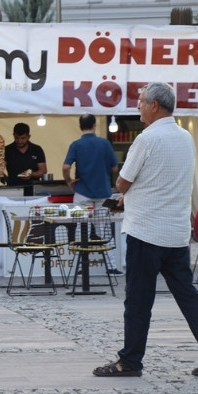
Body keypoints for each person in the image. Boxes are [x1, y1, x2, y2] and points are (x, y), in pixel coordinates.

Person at [93, 82, 198, 378]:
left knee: (139, 300)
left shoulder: (146, 139)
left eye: (141, 102)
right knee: (188, 295)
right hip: (176, 232)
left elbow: (123, 183)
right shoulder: (185, 138)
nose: (138, 107)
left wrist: (126, 197)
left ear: (154, 105)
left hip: (146, 232)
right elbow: (161, 182)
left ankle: (130, 360)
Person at [62, 114, 122, 274]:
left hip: (82, 192)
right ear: (95, 125)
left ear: (80, 126)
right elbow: (115, 168)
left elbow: (66, 167)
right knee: (104, 231)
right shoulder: (104, 143)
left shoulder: (76, 145)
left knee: (83, 230)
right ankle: (111, 266)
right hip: (103, 192)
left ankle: (81, 266)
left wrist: (69, 181)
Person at [4, 122, 47, 196]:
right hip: (13, 190)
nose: (20, 141)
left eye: (23, 138)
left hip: (33, 190)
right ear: (13, 135)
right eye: (17, 138)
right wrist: (3, 177)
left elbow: (43, 171)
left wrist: (31, 174)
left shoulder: (37, 149)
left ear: (28, 136)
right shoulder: (7, 150)